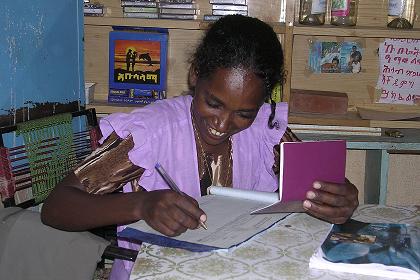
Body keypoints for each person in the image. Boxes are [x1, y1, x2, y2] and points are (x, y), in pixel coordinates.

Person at [41, 15, 359, 279]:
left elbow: (319, 187)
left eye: (244, 113)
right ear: (195, 76)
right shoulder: (149, 134)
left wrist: (339, 196)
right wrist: (141, 205)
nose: (222, 125)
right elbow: (57, 208)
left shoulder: (266, 129)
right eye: (213, 103)